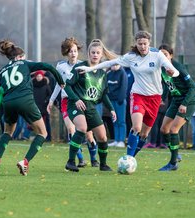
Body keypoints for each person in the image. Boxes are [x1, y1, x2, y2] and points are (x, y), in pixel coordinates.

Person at [0, 39, 65, 176]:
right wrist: (60, 81)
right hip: (25, 101)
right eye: (23, 56)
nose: (24, 58)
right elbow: (49, 67)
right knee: (42, 133)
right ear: (17, 57)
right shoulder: (24, 63)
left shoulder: (1, 71)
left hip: (8, 103)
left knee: (7, 132)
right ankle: (25, 162)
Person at [76, 31, 179, 162]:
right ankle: (128, 157)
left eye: (145, 43)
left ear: (149, 43)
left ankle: (132, 158)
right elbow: (110, 63)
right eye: (140, 43)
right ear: (136, 43)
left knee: (144, 134)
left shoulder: (157, 55)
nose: (142, 46)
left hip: (154, 98)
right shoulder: (131, 56)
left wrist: (172, 73)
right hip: (138, 95)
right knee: (136, 127)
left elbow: (174, 71)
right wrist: (89, 69)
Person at [64, 39, 117, 172]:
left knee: (103, 137)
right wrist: (76, 99)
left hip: (91, 107)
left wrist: (111, 109)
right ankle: (71, 162)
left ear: (101, 55)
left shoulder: (102, 73)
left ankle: (103, 165)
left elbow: (104, 94)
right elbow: (68, 86)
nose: (95, 55)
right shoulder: (80, 67)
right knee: (82, 128)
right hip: (76, 105)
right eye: (92, 52)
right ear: (88, 53)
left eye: (97, 53)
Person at [46, 37, 97, 167]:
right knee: (71, 129)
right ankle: (80, 159)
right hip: (66, 101)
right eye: (70, 51)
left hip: (81, 101)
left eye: (75, 51)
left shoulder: (84, 66)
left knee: (88, 134)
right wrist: (51, 100)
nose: (73, 53)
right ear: (66, 53)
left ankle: (94, 159)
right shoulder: (61, 66)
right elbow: (59, 84)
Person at [157, 44, 195, 171]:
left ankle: (173, 163)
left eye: (165, 54)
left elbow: (192, 86)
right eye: (160, 54)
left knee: (174, 129)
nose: (162, 56)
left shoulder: (178, 67)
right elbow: (167, 85)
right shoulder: (162, 68)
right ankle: (175, 154)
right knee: (164, 129)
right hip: (175, 101)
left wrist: (184, 104)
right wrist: (162, 98)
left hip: (188, 101)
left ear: (171, 56)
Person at [107, 64, 128, 147]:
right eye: (112, 64)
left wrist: (121, 99)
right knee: (114, 120)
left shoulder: (122, 73)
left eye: (116, 64)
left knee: (121, 121)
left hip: (120, 101)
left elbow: (124, 87)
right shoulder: (109, 73)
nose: (114, 66)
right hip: (111, 100)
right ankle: (116, 140)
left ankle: (121, 140)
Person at [32, 70, 52, 141]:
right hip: (35, 106)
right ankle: (39, 136)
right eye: (37, 76)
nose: (39, 77)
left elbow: (50, 95)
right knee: (36, 123)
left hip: (44, 107)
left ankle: (48, 137)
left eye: (40, 76)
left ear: (42, 77)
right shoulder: (33, 85)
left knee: (46, 122)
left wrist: (46, 100)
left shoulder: (46, 85)